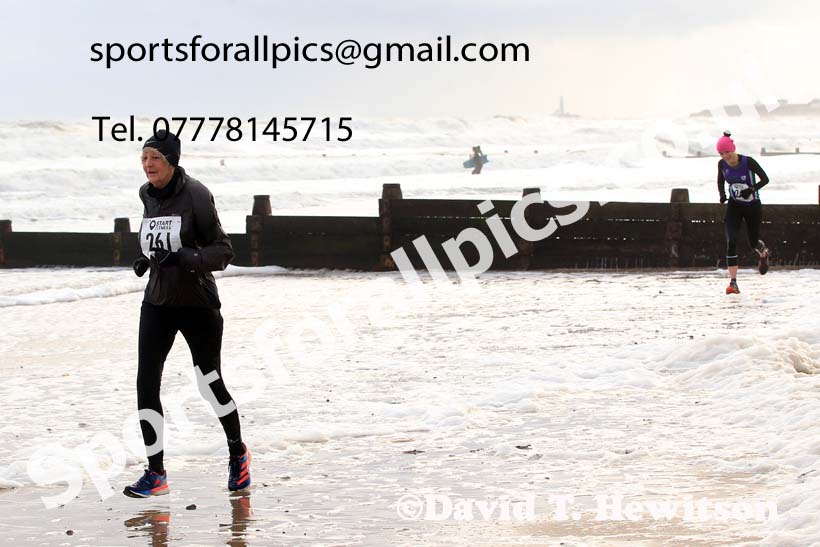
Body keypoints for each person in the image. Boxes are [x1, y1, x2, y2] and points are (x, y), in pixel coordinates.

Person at [124, 130, 251, 497]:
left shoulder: (196, 194)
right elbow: (159, 236)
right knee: (146, 384)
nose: (148, 165)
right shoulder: (146, 194)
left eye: (155, 158)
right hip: (157, 303)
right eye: (144, 157)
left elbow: (223, 251)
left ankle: (237, 452)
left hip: (198, 304)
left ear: (172, 162)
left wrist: (186, 259)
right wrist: (148, 259)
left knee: (209, 384)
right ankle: (156, 473)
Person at [716, 131, 770, 295]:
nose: (725, 156)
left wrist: (751, 189)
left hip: (752, 205)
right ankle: (733, 283)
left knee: (752, 242)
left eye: (727, 152)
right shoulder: (721, 164)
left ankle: (763, 252)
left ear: (733, 149)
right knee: (731, 241)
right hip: (734, 206)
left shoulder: (748, 162)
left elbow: (765, 179)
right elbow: (720, 180)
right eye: (722, 153)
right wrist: (722, 194)